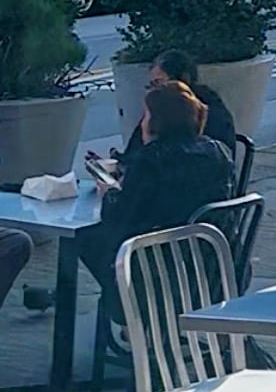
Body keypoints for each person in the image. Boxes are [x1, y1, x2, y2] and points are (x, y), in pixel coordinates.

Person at [79, 82, 234, 307]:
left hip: (165, 270)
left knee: (86, 238)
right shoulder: (218, 152)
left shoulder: (151, 160)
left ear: (157, 121)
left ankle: (131, 310)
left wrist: (109, 193)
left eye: (146, 115)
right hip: (217, 265)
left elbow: (123, 219)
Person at [118, 49, 236, 166]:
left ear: (181, 79)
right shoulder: (165, 106)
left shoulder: (198, 111)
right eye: (152, 85)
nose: (154, 90)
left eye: (158, 82)